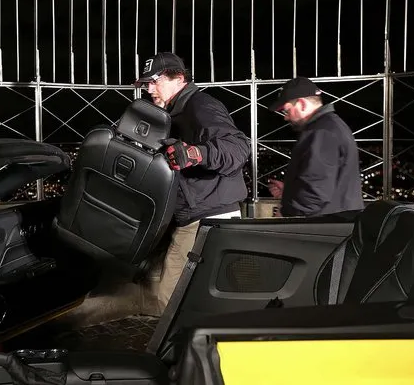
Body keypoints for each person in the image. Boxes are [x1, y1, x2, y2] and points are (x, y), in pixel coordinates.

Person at [135, 52, 251, 311]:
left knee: (170, 297)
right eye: (146, 84)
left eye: (155, 81)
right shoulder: (173, 113)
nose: (149, 89)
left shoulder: (199, 106)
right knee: (203, 295)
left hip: (208, 216)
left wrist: (197, 153)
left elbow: (238, 147)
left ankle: (184, 347)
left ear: (179, 78)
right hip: (196, 214)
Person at [267, 77, 364, 217]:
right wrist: (289, 191)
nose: (286, 117)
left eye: (287, 111)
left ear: (302, 104)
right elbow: (323, 181)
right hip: (333, 222)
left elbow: (315, 193)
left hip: (326, 227)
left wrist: (286, 214)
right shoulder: (329, 126)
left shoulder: (322, 132)